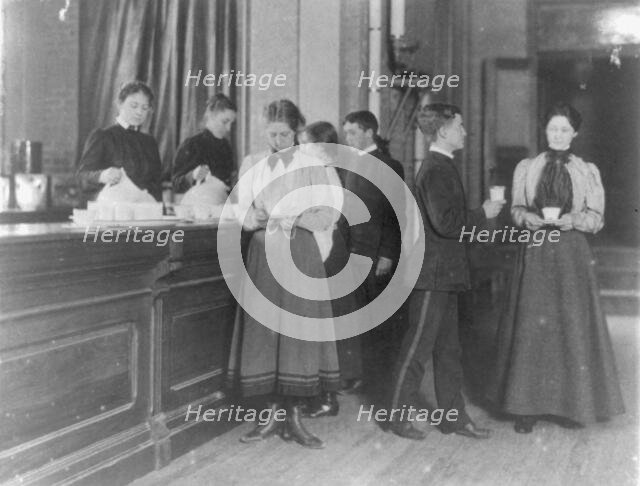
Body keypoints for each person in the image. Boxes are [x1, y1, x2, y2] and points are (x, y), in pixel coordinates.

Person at [489, 102, 624, 433]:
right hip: (535, 251)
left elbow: (597, 218)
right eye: (553, 129)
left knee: (570, 324)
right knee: (531, 328)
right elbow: (516, 209)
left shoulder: (587, 170)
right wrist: (526, 217)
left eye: (565, 130)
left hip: (571, 254)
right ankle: (525, 407)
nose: (559, 135)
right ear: (544, 132)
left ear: (575, 133)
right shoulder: (527, 167)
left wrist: (573, 220)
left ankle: (573, 405)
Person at [226, 100, 340, 449]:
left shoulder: (313, 163)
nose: (277, 140)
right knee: (266, 331)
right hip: (263, 252)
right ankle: (272, 414)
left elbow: (328, 212)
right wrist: (254, 218)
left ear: (297, 131)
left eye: (284, 134)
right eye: (271, 134)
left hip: (300, 252)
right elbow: (238, 207)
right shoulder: (253, 163)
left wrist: (291, 218)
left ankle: (294, 416)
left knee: (297, 331)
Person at [389, 103, 503, 440]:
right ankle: (396, 416)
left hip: (444, 273)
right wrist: (483, 212)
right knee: (418, 347)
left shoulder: (442, 165)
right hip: (432, 275)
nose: (465, 132)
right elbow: (447, 223)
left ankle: (454, 417)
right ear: (443, 132)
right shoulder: (436, 169)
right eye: (460, 126)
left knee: (449, 350)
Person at [298, 121, 363, 419]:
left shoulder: (325, 176)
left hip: (327, 251)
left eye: (305, 145)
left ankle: (328, 396)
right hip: (325, 249)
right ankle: (321, 391)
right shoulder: (320, 173)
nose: (300, 150)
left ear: (321, 149)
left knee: (328, 326)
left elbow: (325, 218)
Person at [341, 110, 405, 392]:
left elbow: (394, 214)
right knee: (357, 318)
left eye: (353, 132)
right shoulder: (350, 163)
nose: (347, 137)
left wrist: (388, 253)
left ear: (369, 132)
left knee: (379, 321)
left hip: (377, 256)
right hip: (352, 254)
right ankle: (361, 376)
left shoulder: (389, 164)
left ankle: (380, 382)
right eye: (346, 133)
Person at [77, 80, 162, 201]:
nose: (139, 112)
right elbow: (82, 177)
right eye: (134, 106)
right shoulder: (103, 136)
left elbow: (156, 188)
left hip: (146, 213)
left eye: (145, 108)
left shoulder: (150, 143)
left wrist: (161, 213)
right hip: (115, 213)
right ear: (119, 104)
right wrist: (102, 175)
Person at [171, 93, 236, 193]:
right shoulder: (192, 145)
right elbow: (176, 184)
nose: (228, 128)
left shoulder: (226, 147)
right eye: (224, 122)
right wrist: (193, 175)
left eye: (231, 123)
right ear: (211, 116)